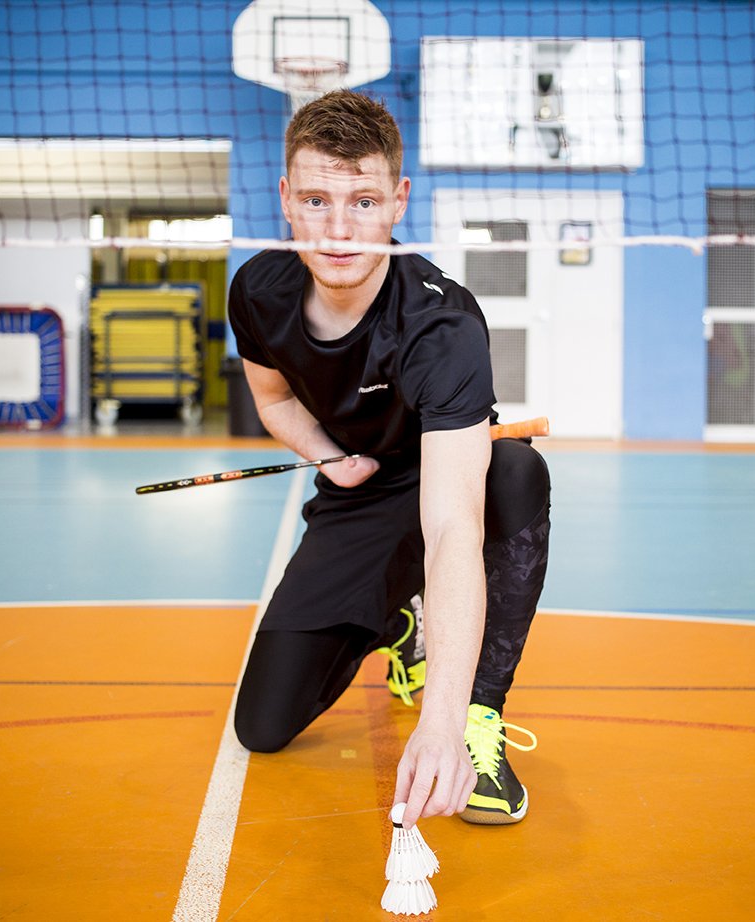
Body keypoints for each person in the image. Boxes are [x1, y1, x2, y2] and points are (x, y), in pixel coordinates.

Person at [227, 89, 551, 830]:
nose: (339, 230)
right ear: (284, 197)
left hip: (448, 479)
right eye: (315, 198)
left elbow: (451, 531)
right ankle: (396, 625)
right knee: (264, 725)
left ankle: (480, 718)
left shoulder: (442, 324)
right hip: (358, 487)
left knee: (517, 473)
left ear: (399, 200)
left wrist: (437, 725)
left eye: (364, 201)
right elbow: (274, 401)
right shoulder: (258, 290)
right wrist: (328, 456)